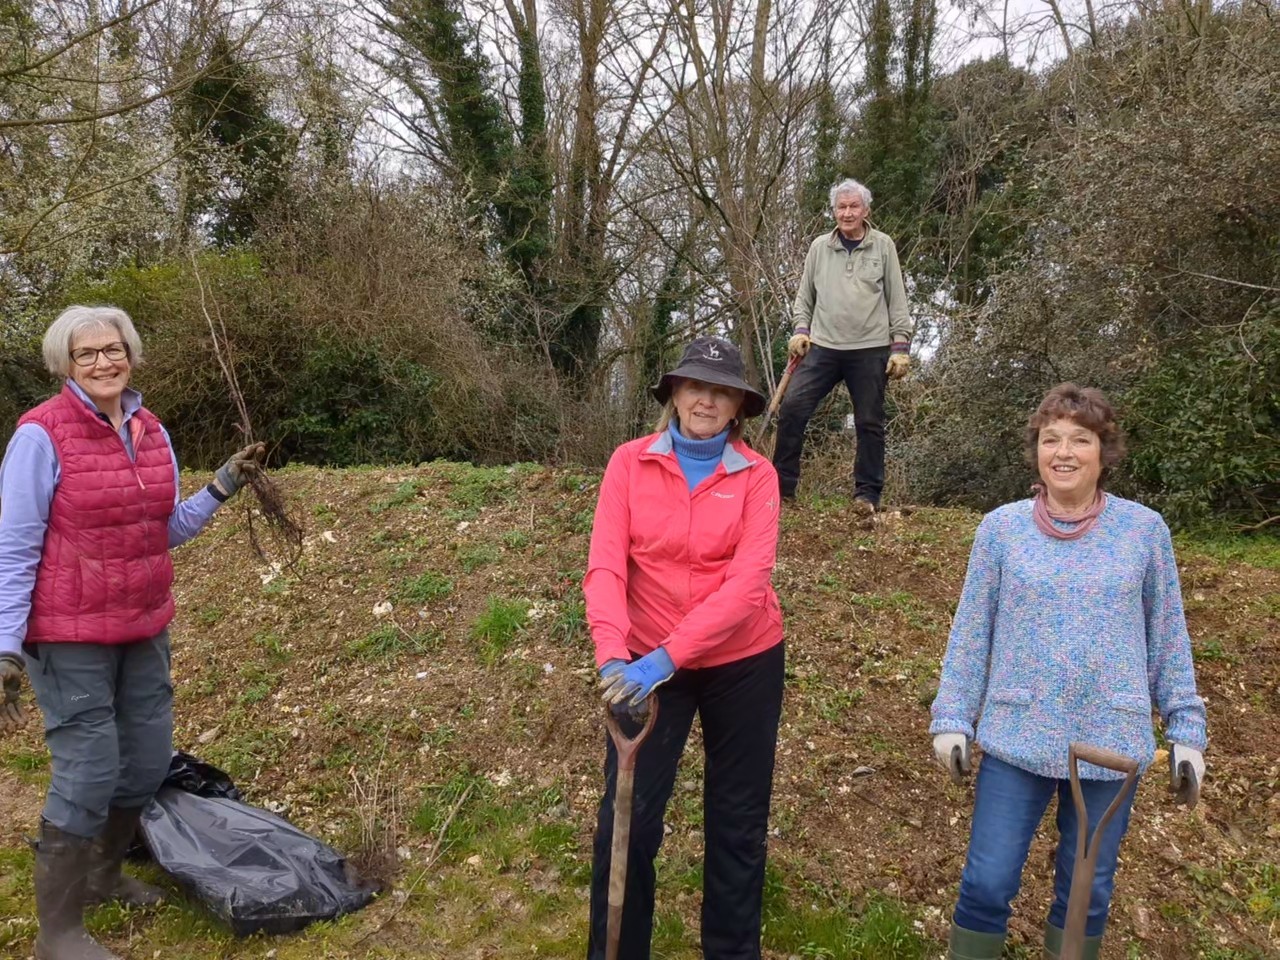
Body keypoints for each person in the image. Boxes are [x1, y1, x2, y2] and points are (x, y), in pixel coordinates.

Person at [0, 305, 265, 960]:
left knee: (144, 761)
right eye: (86, 354)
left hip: (142, 625)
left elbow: (162, 530)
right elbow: (15, 545)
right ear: (66, 363)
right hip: (66, 634)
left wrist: (221, 488)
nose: (102, 362)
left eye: (113, 349)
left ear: (131, 354)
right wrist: (5, 645)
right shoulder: (40, 435)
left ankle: (104, 874)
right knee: (88, 771)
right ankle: (57, 935)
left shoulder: (151, 431)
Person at [929, 383, 1208, 960]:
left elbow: (1168, 637)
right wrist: (952, 716)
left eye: (1080, 439)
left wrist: (1186, 731)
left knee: (1086, 896)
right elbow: (971, 631)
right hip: (1017, 736)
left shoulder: (1144, 531)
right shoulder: (1001, 529)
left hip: (1109, 741)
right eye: (1050, 438)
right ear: (1036, 449)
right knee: (986, 884)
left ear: (1104, 453)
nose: (1063, 451)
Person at [584, 335, 785, 960]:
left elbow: (748, 586)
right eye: (695, 385)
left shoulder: (757, 477)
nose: (706, 399)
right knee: (629, 820)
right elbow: (606, 568)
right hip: (641, 660)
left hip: (742, 662)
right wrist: (614, 657)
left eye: (721, 390)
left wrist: (663, 659)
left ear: (738, 408)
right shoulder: (628, 463)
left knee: (736, 824)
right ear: (673, 393)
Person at [773, 177, 913, 513]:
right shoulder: (820, 248)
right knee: (792, 409)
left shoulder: (883, 246)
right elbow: (805, 296)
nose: (847, 213)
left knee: (869, 421)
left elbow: (897, 298)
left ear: (866, 210)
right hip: (823, 345)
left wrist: (900, 346)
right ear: (833, 211)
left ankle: (867, 495)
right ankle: (781, 490)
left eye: (853, 207)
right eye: (841, 207)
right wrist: (800, 329)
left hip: (870, 348)